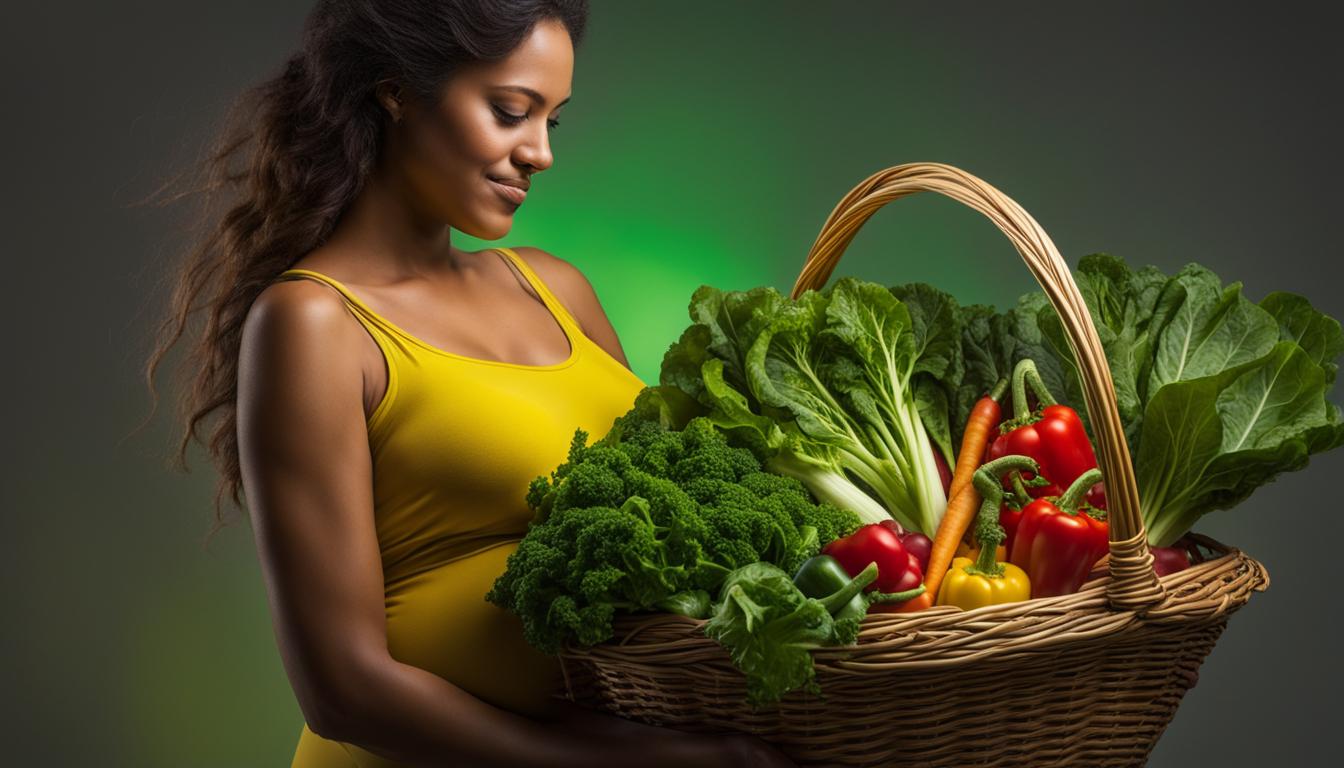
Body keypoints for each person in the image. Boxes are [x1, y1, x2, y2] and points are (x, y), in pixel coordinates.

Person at [140, 1, 797, 765]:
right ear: (397, 92)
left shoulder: (557, 290)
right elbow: (341, 690)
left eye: (554, 120)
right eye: (511, 111)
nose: (540, 152)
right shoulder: (315, 324)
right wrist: (626, 762)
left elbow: (684, 511)